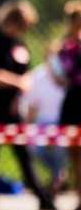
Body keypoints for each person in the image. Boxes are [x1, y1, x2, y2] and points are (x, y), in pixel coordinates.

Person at [0, 0, 57, 210]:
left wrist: (19, 94)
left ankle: (43, 200)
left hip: (12, 109)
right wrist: (18, 83)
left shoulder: (18, 44)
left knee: (23, 155)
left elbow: (25, 72)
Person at [24, 54, 68, 196]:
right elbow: (31, 104)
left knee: (60, 150)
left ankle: (57, 179)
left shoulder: (70, 76)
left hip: (63, 123)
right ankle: (58, 174)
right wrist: (27, 124)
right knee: (33, 148)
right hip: (43, 123)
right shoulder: (38, 76)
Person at [54, 0, 81, 210]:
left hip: (75, 100)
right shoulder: (67, 46)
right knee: (75, 156)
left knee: (76, 157)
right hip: (74, 101)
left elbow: (63, 77)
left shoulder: (68, 46)